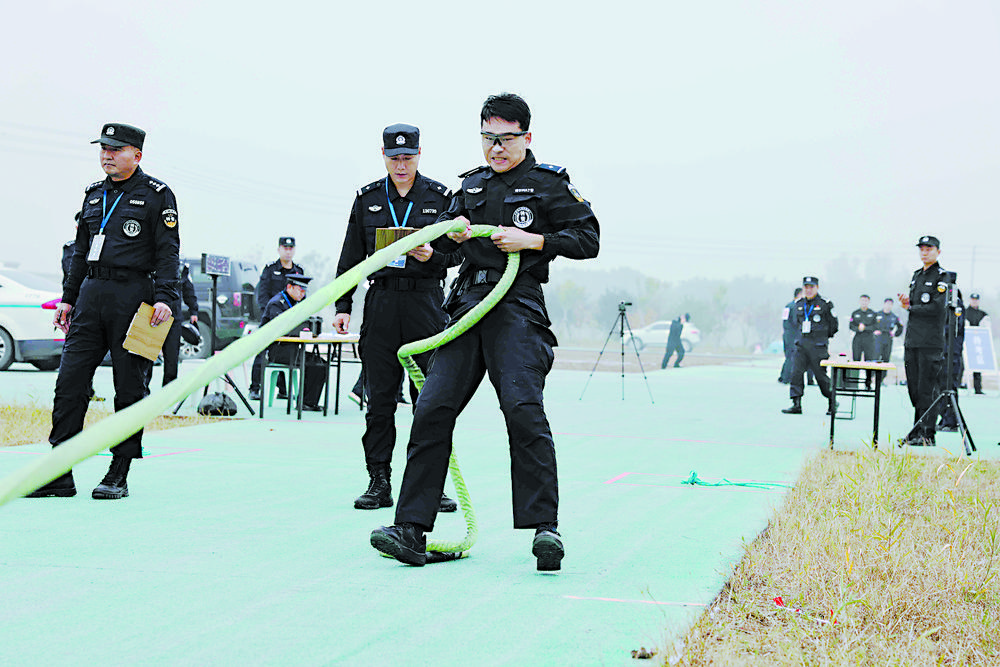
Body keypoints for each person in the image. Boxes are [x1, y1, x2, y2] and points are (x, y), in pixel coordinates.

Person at [369, 93, 600, 571]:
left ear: (526, 137)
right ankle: (411, 528)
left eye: (506, 139)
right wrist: (439, 249)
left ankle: (545, 530)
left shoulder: (548, 184)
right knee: (431, 408)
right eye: (488, 138)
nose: (496, 148)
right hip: (465, 307)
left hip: (516, 305)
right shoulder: (469, 188)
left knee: (522, 409)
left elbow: (588, 238)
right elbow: (450, 254)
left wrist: (533, 239)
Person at [27, 122, 180, 499]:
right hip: (91, 295)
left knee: (129, 387)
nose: (107, 155)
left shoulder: (158, 194)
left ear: (137, 155)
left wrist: (165, 297)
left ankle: (118, 471)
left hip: (135, 297)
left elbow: (168, 252)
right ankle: (58, 472)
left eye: (116, 149)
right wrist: (68, 297)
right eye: (103, 149)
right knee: (69, 384)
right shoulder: (93, 195)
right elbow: (80, 251)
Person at [332, 123, 460, 512]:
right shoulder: (367, 199)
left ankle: (428, 486)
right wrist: (342, 306)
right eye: (394, 158)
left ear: (420, 155)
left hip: (425, 304)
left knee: (430, 401)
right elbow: (350, 256)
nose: (401, 165)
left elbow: (458, 255)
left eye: (408, 158)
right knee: (380, 400)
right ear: (383, 156)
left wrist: (432, 257)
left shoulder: (440, 198)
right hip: (382, 304)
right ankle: (379, 481)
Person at [899, 235, 950, 446]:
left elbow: (937, 307)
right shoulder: (916, 275)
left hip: (931, 342)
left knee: (927, 388)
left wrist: (911, 307)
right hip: (913, 340)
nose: (924, 252)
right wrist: (907, 303)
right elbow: (916, 304)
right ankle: (916, 429)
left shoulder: (943, 277)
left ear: (938, 251)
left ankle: (927, 433)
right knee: (913, 389)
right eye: (921, 248)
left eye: (929, 248)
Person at [249, 237, 304, 401]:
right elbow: (262, 294)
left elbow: (301, 294)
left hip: (291, 322)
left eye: (290, 248)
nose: (288, 251)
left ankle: (283, 389)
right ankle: (254, 388)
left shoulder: (298, 271)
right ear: (279, 249)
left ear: (294, 250)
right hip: (271, 318)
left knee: (286, 351)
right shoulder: (270, 269)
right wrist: (270, 314)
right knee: (262, 353)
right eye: (285, 247)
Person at [260, 275, 325, 411]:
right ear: (289, 287)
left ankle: (308, 402)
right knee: (313, 363)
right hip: (278, 351)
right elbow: (281, 329)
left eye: (304, 291)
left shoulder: (298, 302)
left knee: (320, 362)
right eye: (300, 290)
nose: (303, 294)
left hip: (293, 349)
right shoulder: (277, 303)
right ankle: (305, 403)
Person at [781, 276, 839, 415]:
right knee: (796, 373)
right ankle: (796, 403)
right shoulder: (799, 304)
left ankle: (832, 401)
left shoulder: (826, 304)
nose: (808, 290)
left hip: (818, 346)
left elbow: (834, 326)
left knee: (820, 376)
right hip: (801, 344)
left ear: (817, 288)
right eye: (806, 287)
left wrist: (823, 337)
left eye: (811, 287)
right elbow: (796, 323)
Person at [161, 263, 199, 386]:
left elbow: (188, 288)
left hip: (174, 317)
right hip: (152, 315)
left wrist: (193, 310)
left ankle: (168, 393)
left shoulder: (182, 265)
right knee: (146, 359)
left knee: (172, 359)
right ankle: (143, 395)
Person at [938, 289, 966, 431]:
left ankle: (952, 421)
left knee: (950, 386)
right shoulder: (944, 304)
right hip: (943, 351)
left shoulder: (957, 305)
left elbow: (955, 325)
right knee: (942, 386)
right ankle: (944, 418)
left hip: (952, 352)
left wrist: (937, 327)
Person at [849, 294, 878, 389]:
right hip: (858, 339)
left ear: (868, 302)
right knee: (856, 360)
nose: (864, 302)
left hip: (869, 339)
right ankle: (853, 383)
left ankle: (868, 383)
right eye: (862, 300)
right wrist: (858, 328)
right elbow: (851, 326)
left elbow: (876, 327)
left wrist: (865, 328)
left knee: (868, 361)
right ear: (859, 301)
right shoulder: (855, 313)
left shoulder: (873, 314)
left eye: (865, 301)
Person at [965, 292, 988, 394]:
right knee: (961, 364)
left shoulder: (983, 314)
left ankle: (978, 388)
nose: (974, 301)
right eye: (973, 299)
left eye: (976, 299)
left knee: (977, 365)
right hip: (965, 343)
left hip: (977, 343)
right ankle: (959, 385)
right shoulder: (964, 312)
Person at [779, 288, 802, 383]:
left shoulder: (787, 306)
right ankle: (786, 378)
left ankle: (783, 376)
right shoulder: (796, 307)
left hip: (786, 334)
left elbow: (784, 321)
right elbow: (796, 322)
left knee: (788, 356)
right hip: (793, 335)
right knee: (792, 356)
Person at [873, 297, 904, 363]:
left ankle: (884, 373)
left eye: (890, 304)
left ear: (892, 305)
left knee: (886, 359)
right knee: (876, 358)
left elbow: (901, 327)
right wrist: (874, 331)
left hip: (888, 339)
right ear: (884, 304)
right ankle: (873, 373)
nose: (888, 306)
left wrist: (895, 334)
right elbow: (870, 324)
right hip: (878, 338)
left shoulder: (894, 317)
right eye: (887, 304)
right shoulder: (877, 314)